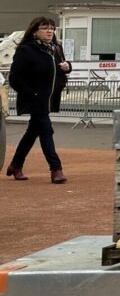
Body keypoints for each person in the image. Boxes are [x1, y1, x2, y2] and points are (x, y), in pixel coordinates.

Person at [6, 16, 70, 183]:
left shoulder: (55, 48)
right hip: (34, 99)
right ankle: (56, 169)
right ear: (35, 31)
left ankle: (16, 164)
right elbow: (14, 78)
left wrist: (68, 67)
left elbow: (61, 68)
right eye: (45, 28)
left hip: (49, 98)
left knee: (33, 132)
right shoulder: (26, 50)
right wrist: (31, 93)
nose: (50, 31)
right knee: (46, 130)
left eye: (52, 28)